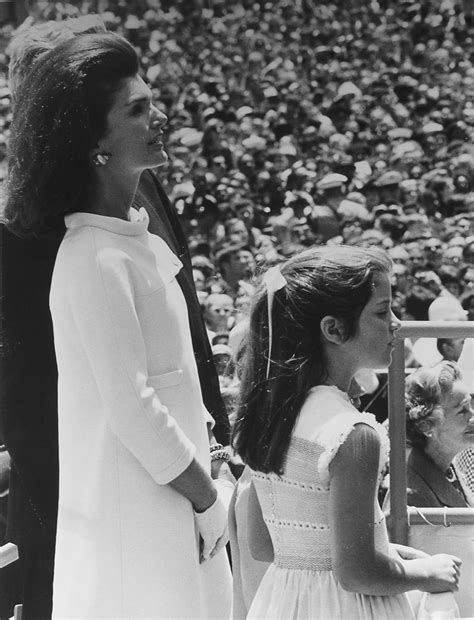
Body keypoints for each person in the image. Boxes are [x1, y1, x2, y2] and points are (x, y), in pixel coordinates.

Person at [1, 16, 230, 619]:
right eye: (136, 110)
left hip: (175, 485)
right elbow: (126, 402)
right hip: (124, 493)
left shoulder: (138, 223)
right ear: (88, 135)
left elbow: (180, 363)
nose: (158, 120)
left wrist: (213, 456)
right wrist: (206, 496)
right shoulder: (88, 254)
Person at [233, 245, 462, 619]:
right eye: (382, 310)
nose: (396, 323)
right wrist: (422, 572)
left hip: (285, 603)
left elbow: (264, 544)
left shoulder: (274, 417)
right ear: (334, 329)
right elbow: (356, 572)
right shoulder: (353, 434)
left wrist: (386, 551)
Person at [403, 362, 474, 507]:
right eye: (462, 411)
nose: (472, 416)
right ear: (426, 425)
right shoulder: (412, 494)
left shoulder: (450, 470)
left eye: (470, 407)